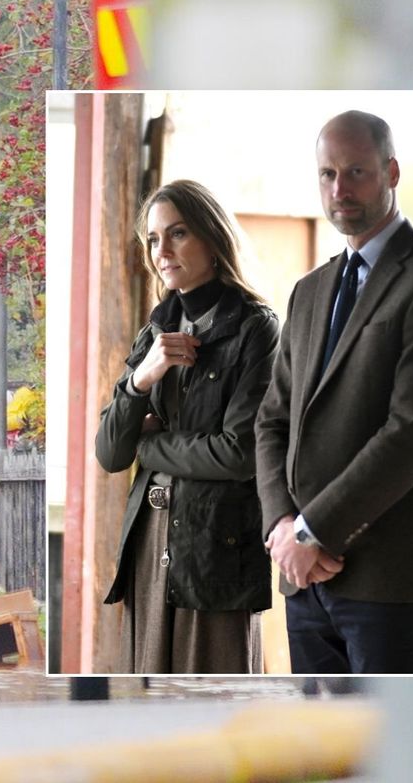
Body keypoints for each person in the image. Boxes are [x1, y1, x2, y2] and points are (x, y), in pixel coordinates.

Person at [254, 111, 413, 674]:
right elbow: (271, 421)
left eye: (356, 171)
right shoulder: (309, 291)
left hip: (391, 578)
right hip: (304, 578)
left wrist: (314, 531)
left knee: (389, 730)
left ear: (392, 172)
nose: (340, 189)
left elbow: (411, 435)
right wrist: (283, 527)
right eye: (328, 174)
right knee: (319, 732)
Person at [94, 179, 278, 674]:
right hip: (148, 542)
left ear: (212, 239)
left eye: (177, 234)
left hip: (215, 548)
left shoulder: (255, 328)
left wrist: (150, 446)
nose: (162, 251)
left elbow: (239, 454)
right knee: (147, 696)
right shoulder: (155, 331)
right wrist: (142, 378)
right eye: (154, 239)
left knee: (215, 691)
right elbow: (110, 453)